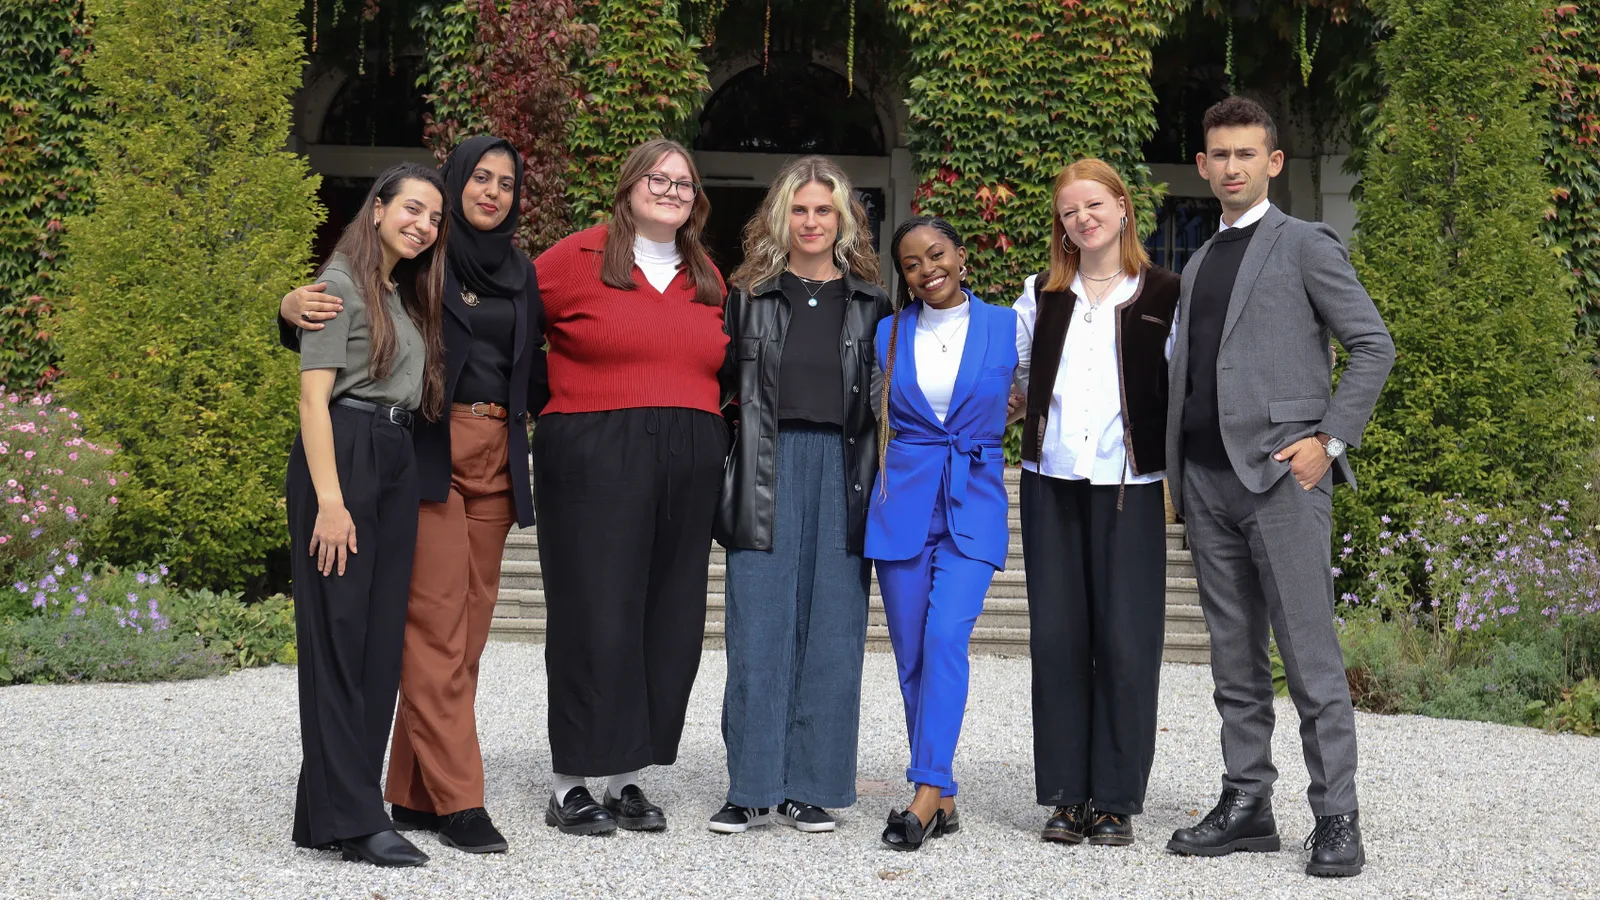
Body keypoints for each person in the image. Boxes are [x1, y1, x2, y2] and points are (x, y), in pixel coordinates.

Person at [280, 137, 548, 855]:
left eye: (506, 181)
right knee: (365, 640)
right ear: (379, 211)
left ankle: (378, 800)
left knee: (404, 643)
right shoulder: (385, 275)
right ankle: (411, 808)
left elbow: (535, 366)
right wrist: (286, 305)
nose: (490, 191)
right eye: (416, 208)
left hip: (425, 453)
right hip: (391, 452)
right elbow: (318, 381)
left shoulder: (436, 280)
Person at [1163, 96, 1393, 878]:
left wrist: (1326, 443)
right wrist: (1176, 473)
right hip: (1207, 483)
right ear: (1202, 165)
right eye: (1217, 154)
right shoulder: (1197, 261)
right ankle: (1248, 804)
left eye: (1244, 154)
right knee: (1234, 659)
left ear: (1272, 163)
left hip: (1283, 482)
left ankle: (1336, 816)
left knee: (1308, 654)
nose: (1230, 166)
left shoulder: (1304, 245)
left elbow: (1372, 345)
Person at [533, 138, 729, 835]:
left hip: (689, 457)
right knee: (595, 613)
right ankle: (570, 782)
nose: (672, 191)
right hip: (593, 454)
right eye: (659, 179)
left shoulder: (706, 274)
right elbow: (509, 331)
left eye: (684, 183)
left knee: (667, 619)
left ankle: (625, 777)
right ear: (628, 186)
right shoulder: (574, 258)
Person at [711, 155, 891, 835]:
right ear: (780, 217)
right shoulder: (747, 295)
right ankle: (751, 786)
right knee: (757, 628)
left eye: (824, 209)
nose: (812, 221)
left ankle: (812, 787)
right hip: (765, 467)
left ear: (844, 219)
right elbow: (718, 386)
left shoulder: (874, 302)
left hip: (846, 472)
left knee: (835, 633)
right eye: (800, 208)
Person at [1013, 159, 1181, 847]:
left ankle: (1114, 799)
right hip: (1051, 482)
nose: (1082, 219)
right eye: (1069, 212)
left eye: (1093, 206)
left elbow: (1187, 383)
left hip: (1129, 488)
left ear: (1122, 208)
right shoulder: (1041, 294)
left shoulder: (1165, 292)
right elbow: (1022, 376)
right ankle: (1064, 796)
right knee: (1057, 640)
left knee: (1125, 644)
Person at [285, 162, 448, 867]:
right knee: (340, 639)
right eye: (412, 208)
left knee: (377, 643)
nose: (424, 224)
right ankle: (354, 820)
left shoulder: (395, 291)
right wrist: (330, 502)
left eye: (434, 217)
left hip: (392, 454)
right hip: (345, 454)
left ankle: (329, 808)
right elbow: (313, 400)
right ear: (378, 208)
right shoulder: (339, 285)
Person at [868, 216, 1016, 851]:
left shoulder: (1009, 326)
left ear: (960, 254)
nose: (927, 270)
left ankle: (924, 791)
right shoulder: (888, 334)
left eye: (936, 255)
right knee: (912, 657)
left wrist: (1018, 410)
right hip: (903, 503)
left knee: (946, 635)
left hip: (973, 502)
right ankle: (943, 796)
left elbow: (1043, 392)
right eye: (910, 264)